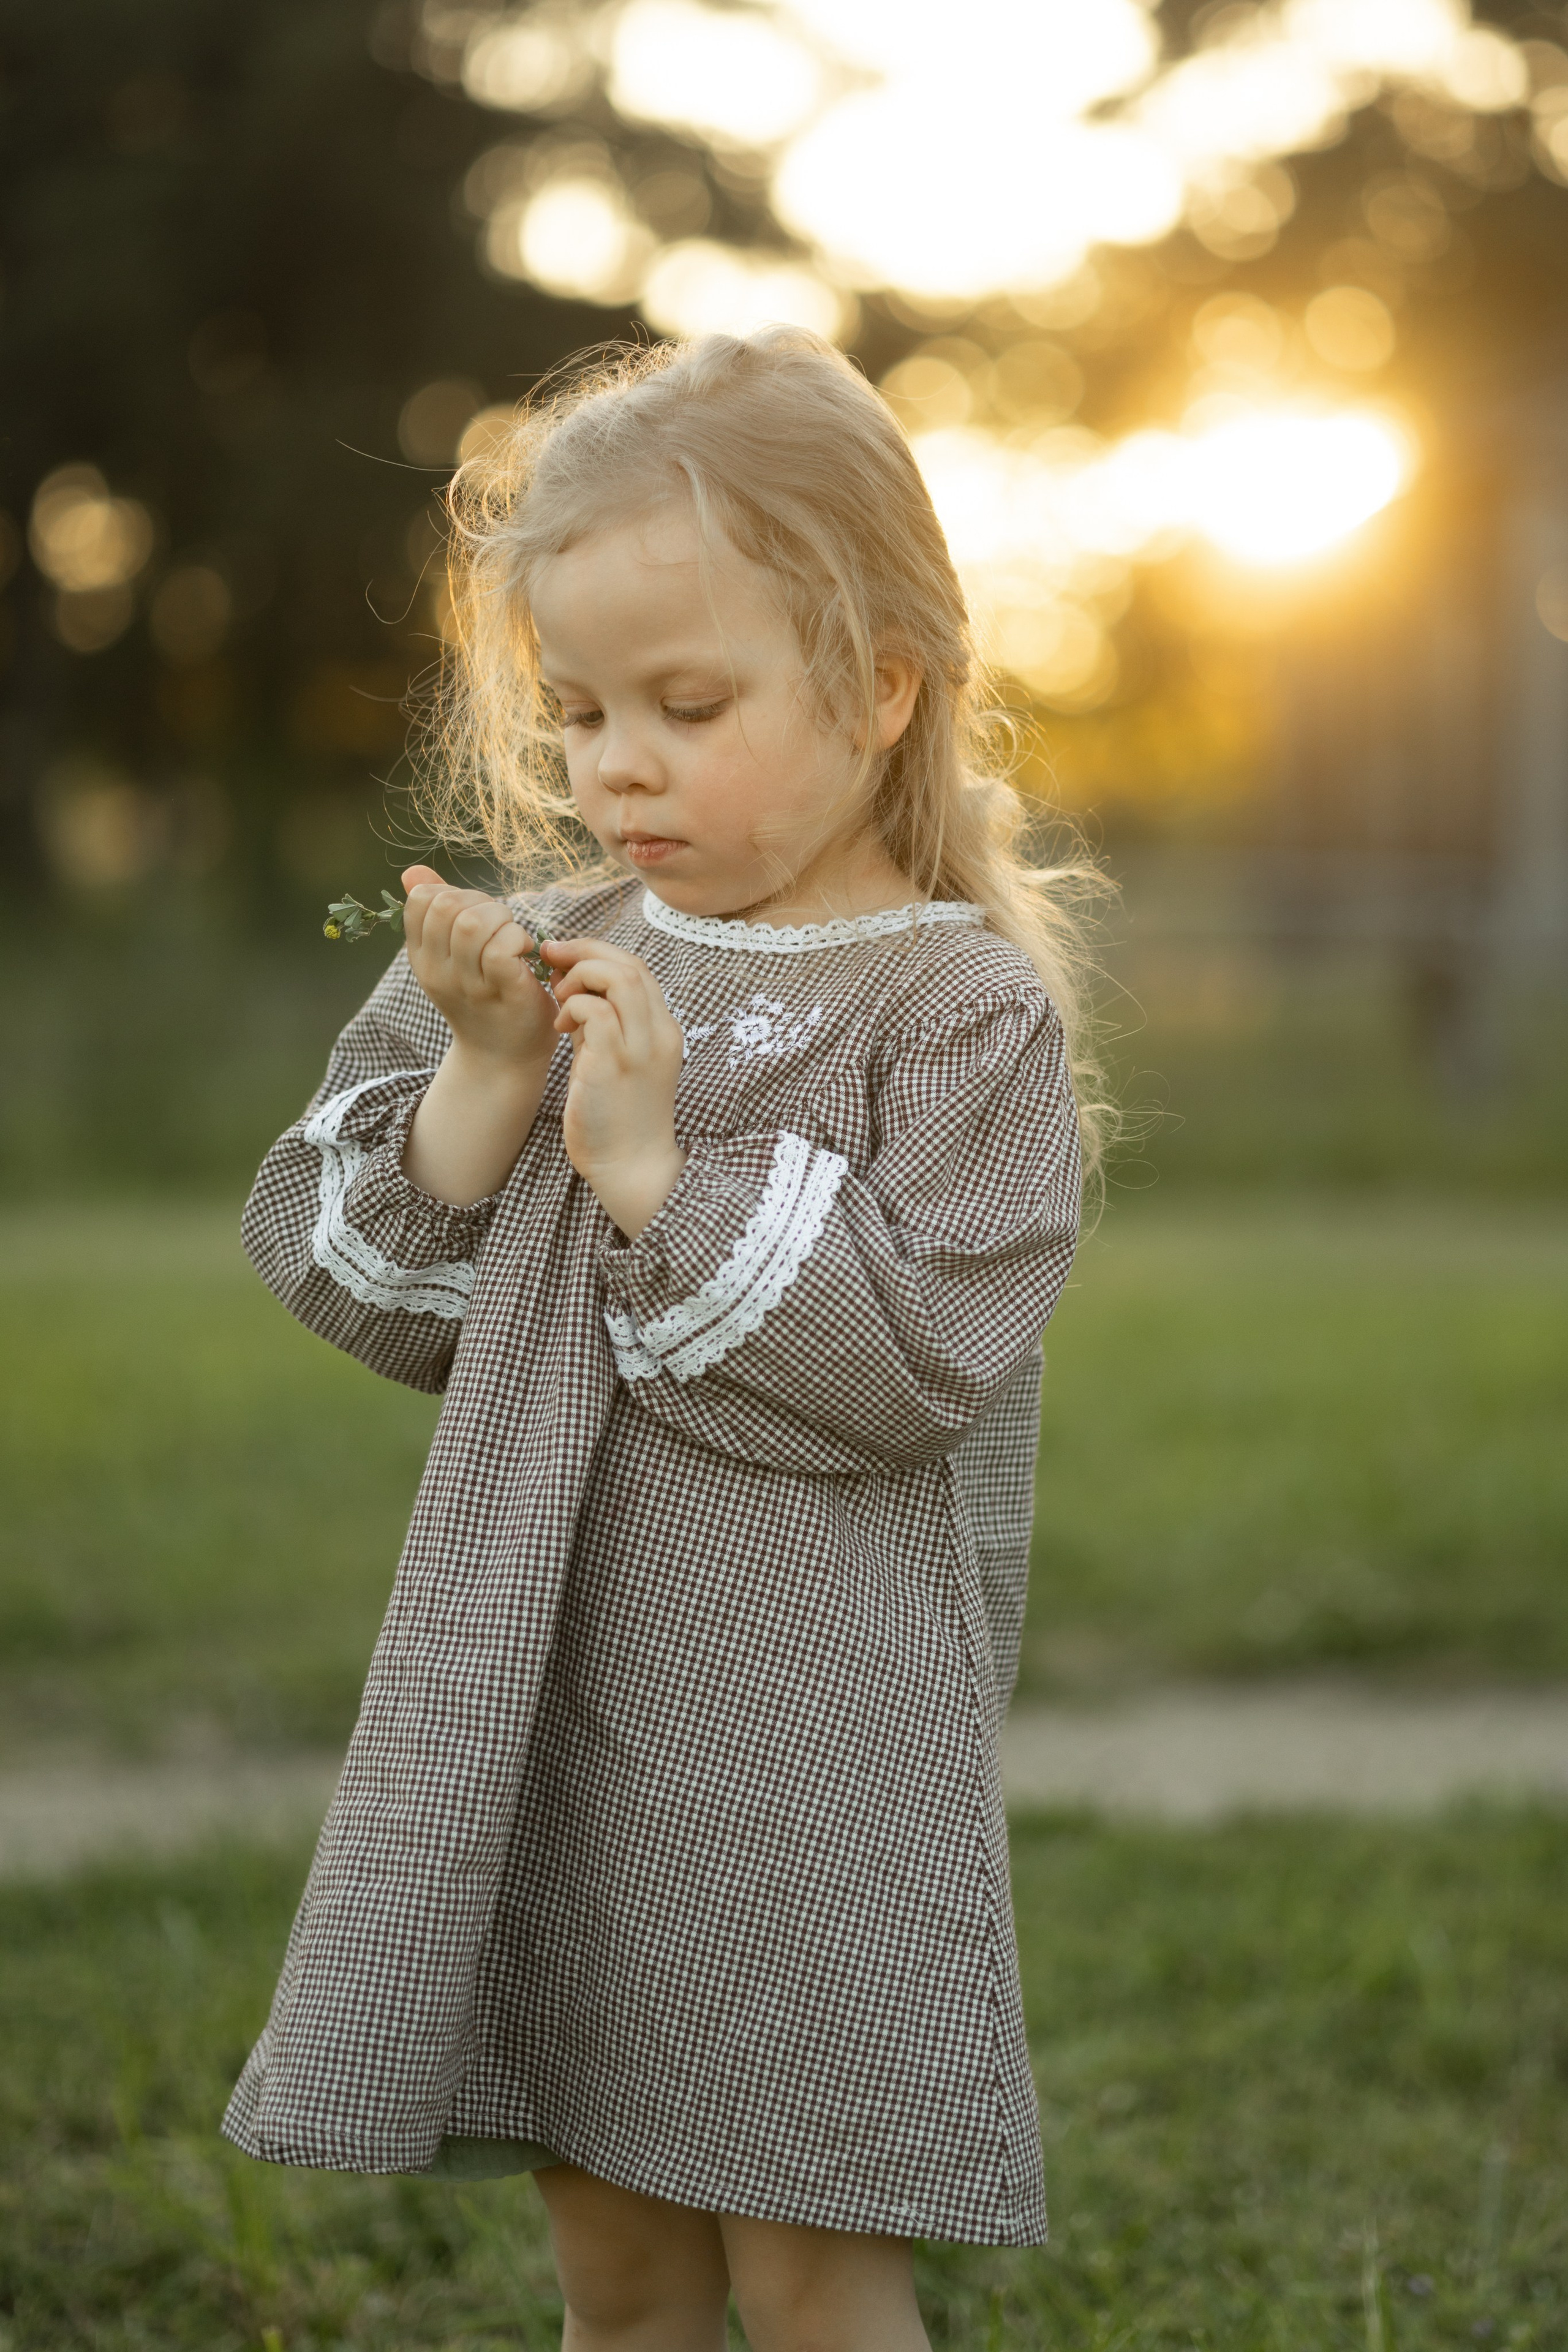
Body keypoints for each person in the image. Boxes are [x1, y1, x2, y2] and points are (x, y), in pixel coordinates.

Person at [224, 327, 1107, 2351]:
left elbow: (910, 1362)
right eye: (580, 710)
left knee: (807, 2275)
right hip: (554, 1705)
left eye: (688, 706)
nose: (619, 762)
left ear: (882, 685)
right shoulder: (563, 955)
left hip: (809, 1750)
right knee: (616, 2274)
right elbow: (353, 1278)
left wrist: (652, 1168)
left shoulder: (955, 1012)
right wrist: (486, 1071)